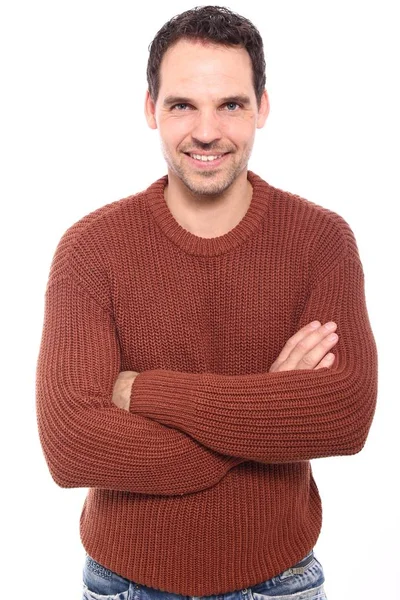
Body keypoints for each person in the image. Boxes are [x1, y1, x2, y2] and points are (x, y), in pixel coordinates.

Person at [36, 5, 377, 600]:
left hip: (279, 580)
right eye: (182, 104)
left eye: (232, 105)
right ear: (150, 109)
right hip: (124, 582)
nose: (206, 130)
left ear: (263, 107)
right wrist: (266, 410)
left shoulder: (321, 240)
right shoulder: (90, 248)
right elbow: (70, 446)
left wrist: (142, 391)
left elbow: (345, 416)